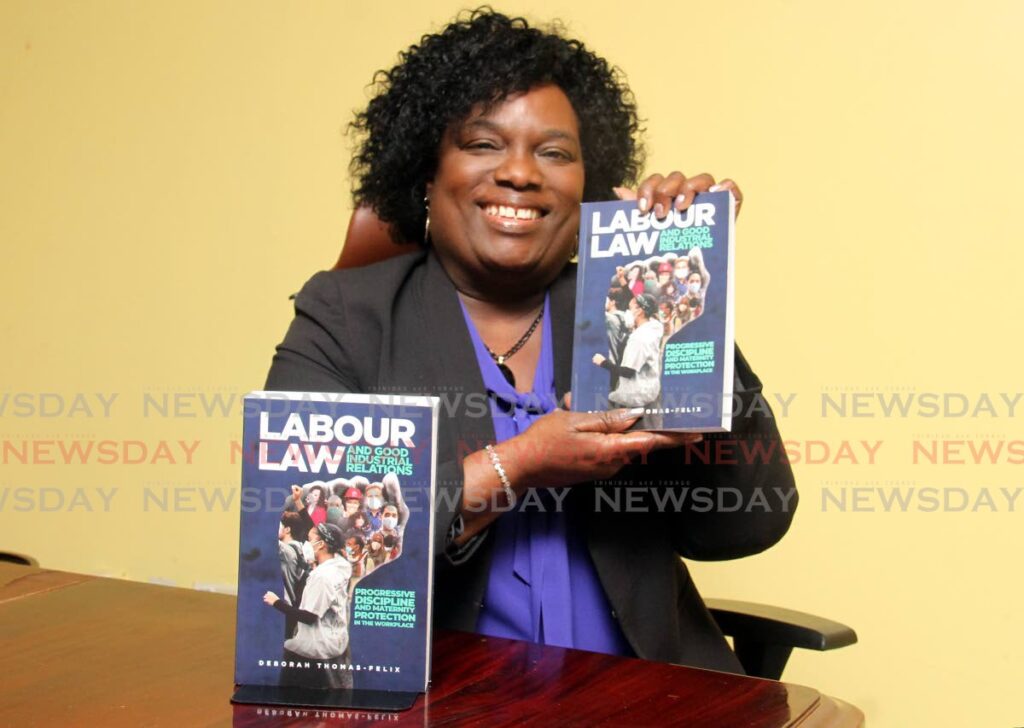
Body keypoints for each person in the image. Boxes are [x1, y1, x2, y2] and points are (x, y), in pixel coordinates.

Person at [266, 9, 795, 674]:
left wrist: (698, 296)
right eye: (484, 144)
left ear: (588, 188)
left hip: (650, 695)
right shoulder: (348, 316)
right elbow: (304, 532)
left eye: (554, 152)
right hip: (449, 697)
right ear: (426, 176)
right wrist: (520, 465)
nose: (521, 173)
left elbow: (750, 522)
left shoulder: (623, 303)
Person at [263, 523, 354, 689]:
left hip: (316, 649)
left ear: (321, 544)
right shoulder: (342, 565)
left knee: (291, 694)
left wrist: (276, 602)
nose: (306, 544)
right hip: (337, 642)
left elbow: (309, 617)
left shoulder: (322, 578)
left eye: (310, 539)